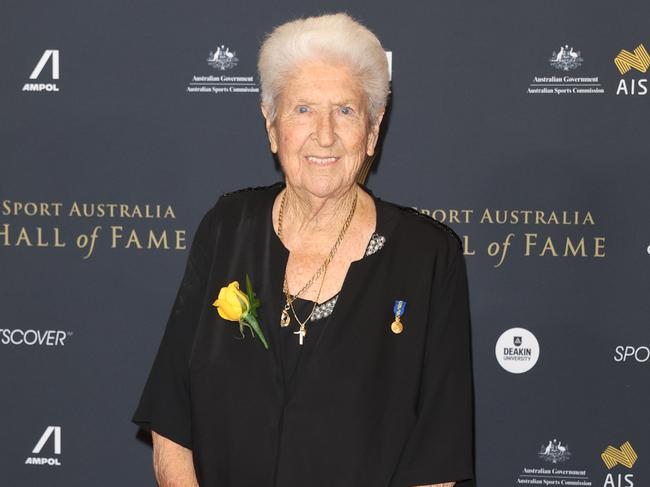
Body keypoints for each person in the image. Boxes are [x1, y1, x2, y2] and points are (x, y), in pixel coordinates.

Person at [133, 12, 474, 487]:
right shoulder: (227, 229)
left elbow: (439, 458)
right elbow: (171, 418)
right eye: (303, 109)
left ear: (373, 131)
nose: (325, 134)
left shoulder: (428, 258)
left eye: (346, 111)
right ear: (272, 125)